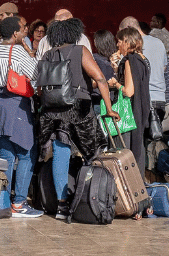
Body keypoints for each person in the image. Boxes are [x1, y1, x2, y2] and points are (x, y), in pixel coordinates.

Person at [38, 18, 115, 220]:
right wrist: (108, 107)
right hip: (79, 108)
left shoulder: (47, 54)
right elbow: (99, 78)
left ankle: (62, 206)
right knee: (93, 150)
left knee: (60, 153)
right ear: (74, 34)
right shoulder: (80, 51)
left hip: (52, 110)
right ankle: (94, 198)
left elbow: (40, 88)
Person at [0, 17, 43, 217]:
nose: (25, 32)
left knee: (6, 155)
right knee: (26, 153)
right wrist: (30, 53)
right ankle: (19, 203)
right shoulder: (17, 52)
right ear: (15, 34)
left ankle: (4, 200)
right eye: (23, 30)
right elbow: (35, 73)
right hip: (15, 106)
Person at [118, 17, 169, 124]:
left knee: (142, 139)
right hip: (160, 99)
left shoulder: (132, 48)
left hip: (142, 100)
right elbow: (164, 68)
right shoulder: (159, 43)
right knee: (155, 137)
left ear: (128, 29)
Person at [114, 27, 152, 176]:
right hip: (142, 110)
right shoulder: (143, 59)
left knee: (126, 152)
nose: (117, 45)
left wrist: (115, 84)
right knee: (139, 149)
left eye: (119, 41)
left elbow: (129, 91)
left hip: (130, 113)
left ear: (127, 41)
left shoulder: (130, 61)